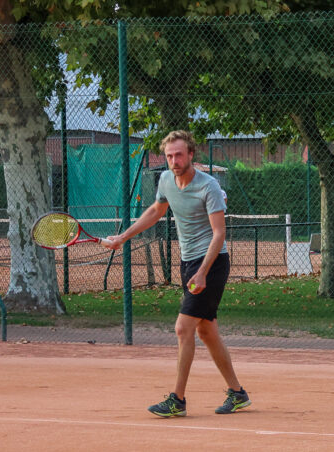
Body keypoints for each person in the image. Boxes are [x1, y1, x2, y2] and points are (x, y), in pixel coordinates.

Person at [103, 130, 249, 417]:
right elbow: (155, 211)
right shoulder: (166, 180)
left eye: (179, 154)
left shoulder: (208, 187)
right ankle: (237, 393)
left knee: (183, 328)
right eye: (169, 155)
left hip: (212, 263)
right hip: (188, 264)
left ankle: (177, 400)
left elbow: (219, 234)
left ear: (191, 154)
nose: (174, 160)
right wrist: (123, 237)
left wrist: (203, 272)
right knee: (206, 331)